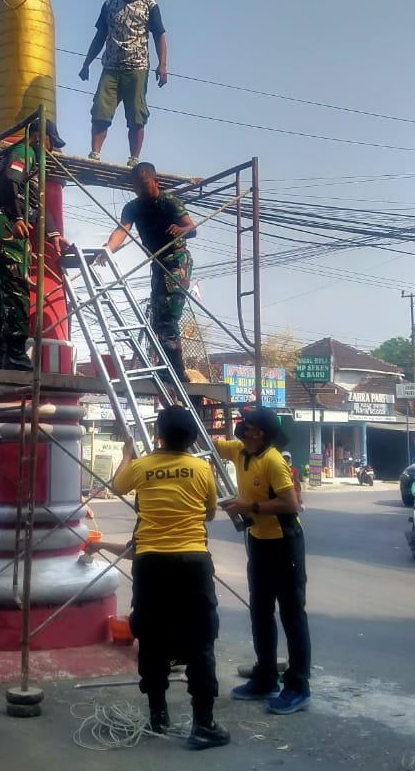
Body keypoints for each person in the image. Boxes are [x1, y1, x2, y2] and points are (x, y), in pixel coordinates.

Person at [110, 406, 229, 750]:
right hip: (193, 561)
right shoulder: (201, 468)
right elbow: (208, 512)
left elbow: (118, 485)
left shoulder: (143, 467)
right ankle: (203, 725)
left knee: (152, 637)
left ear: (159, 436)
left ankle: (158, 716)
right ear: (192, 437)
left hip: (150, 564)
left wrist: (127, 454)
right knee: (201, 641)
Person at [217, 406, 312, 716]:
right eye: (244, 425)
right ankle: (266, 677)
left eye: (250, 426)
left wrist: (250, 506)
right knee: (260, 612)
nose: (244, 430)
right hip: (258, 543)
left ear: (262, 432)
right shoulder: (241, 452)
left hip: (285, 545)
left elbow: (292, 504)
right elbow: (208, 443)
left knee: (291, 616)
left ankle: (298, 686)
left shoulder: (273, 461)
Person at [0, 116, 66, 372]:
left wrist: (54, 234)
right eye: (49, 141)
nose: (51, 148)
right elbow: (8, 182)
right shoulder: (26, 151)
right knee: (15, 289)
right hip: (3, 224)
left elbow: (36, 202)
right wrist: (16, 217)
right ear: (38, 136)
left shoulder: (29, 162)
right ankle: (14, 356)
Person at [93, 162, 196, 377]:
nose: (140, 190)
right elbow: (122, 231)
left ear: (156, 181)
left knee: (168, 318)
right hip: (158, 264)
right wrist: (107, 249)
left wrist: (181, 230)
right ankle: (167, 368)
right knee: (158, 319)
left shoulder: (168, 201)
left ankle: (176, 371)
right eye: (136, 186)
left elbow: (192, 227)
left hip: (176, 261)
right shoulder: (132, 208)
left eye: (144, 184)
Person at [78, 0, 167, 166]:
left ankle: (134, 158)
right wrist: (87, 63)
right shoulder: (110, 5)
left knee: (136, 114)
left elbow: (159, 35)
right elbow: (100, 35)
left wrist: (162, 64)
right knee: (101, 110)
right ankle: (95, 153)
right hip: (110, 67)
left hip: (137, 67)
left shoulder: (150, 6)